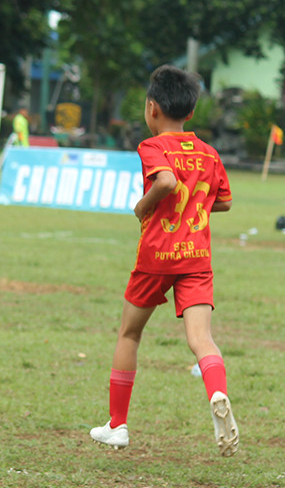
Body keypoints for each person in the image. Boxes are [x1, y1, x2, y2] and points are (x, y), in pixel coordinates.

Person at [89, 65, 238, 456]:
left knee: (129, 334)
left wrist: (142, 206)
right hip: (196, 257)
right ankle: (218, 392)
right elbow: (224, 201)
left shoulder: (152, 147)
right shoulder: (208, 152)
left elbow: (167, 181)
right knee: (201, 339)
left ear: (152, 108)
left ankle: (117, 425)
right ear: (190, 113)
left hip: (157, 256)